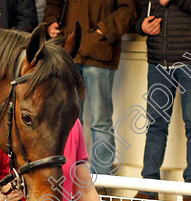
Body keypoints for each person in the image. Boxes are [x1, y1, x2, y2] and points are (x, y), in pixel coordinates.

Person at [128, 0, 191, 201]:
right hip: (159, 60)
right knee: (155, 124)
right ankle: (148, 189)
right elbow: (140, 12)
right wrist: (142, 27)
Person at [43, 0, 136, 184]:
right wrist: (51, 22)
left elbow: (129, 10)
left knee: (100, 121)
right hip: (68, 53)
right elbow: (54, 3)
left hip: (98, 55)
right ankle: (67, 177)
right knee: (68, 122)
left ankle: (100, 181)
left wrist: (103, 31)